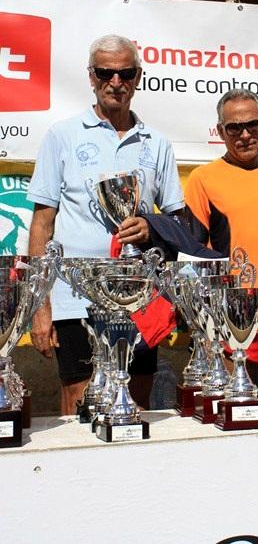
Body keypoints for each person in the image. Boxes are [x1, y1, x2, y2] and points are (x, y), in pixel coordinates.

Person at [27, 34, 184, 414]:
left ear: (138, 77)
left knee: (137, 403)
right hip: (75, 299)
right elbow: (42, 226)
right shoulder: (62, 135)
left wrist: (151, 228)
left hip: (139, 300)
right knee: (79, 401)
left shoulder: (157, 142)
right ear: (91, 76)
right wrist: (39, 307)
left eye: (125, 73)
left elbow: (177, 221)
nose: (116, 82)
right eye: (105, 73)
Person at [184, 89, 258, 402]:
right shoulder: (202, 179)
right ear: (220, 131)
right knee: (232, 404)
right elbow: (194, 252)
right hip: (230, 313)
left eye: (253, 125)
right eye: (234, 127)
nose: (245, 134)